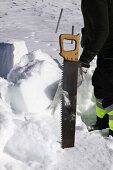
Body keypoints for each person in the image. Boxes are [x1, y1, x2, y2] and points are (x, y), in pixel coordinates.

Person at [79, 0, 113, 136]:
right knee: (99, 86)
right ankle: (102, 123)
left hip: (110, 52)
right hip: (105, 52)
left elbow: (102, 31)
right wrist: (87, 35)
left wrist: (85, 60)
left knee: (111, 94)